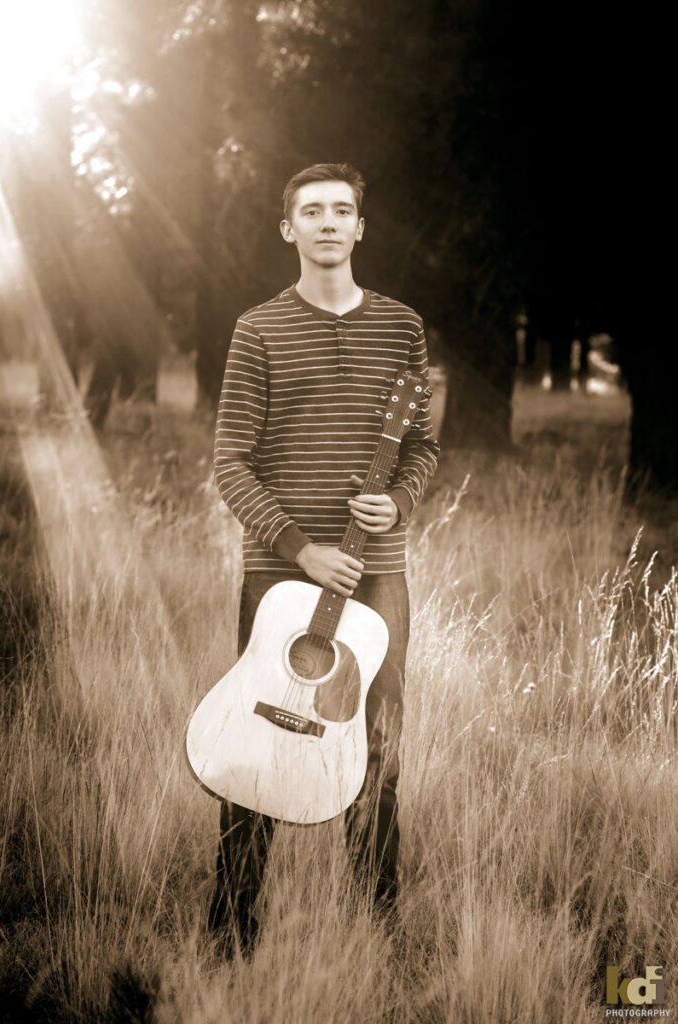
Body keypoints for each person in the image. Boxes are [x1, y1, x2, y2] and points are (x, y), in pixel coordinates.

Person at [206, 162, 440, 958]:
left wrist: (399, 502)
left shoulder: (402, 326)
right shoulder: (257, 329)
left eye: (343, 210)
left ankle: (375, 936)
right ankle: (229, 935)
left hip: (378, 574)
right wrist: (299, 549)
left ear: (360, 227)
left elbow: (422, 447)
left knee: (378, 745)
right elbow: (231, 462)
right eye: (312, 212)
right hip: (279, 578)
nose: (329, 223)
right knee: (257, 741)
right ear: (289, 229)